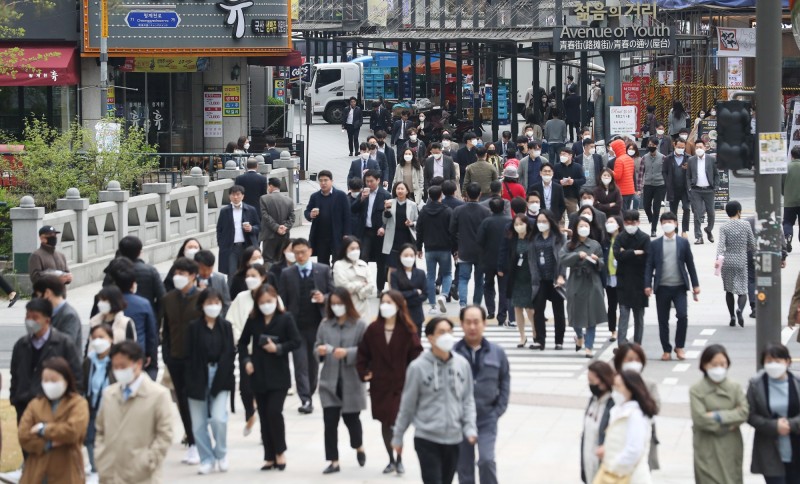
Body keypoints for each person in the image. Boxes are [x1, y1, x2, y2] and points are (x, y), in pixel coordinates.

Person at [392, 317, 477, 484]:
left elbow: (467, 400)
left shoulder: (462, 365)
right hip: (427, 438)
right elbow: (407, 405)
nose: (447, 336)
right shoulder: (417, 367)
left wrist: (470, 427)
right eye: (441, 332)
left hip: (454, 437)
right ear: (430, 338)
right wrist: (398, 436)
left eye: (449, 332)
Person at [356, 291, 422, 474]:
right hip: (380, 385)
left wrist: (414, 378)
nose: (385, 305)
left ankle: (399, 459)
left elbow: (417, 356)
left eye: (389, 302)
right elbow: (362, 355)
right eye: (383, 302)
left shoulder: (408, 331)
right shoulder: (373, 330)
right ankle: (391, 459)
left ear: (399, 306)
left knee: (396, 422)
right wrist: (364, 372)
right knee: (385, 423)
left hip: (401, 385)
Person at [239, 284, 300, 470]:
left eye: (270, 301)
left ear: (276, 300)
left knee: (274, 412)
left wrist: (279, 348)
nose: (267, 305)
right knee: (264, 416)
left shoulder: (285, 318)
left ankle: (280, 451)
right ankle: (269, 456)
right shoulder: (254, 320)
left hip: (278, 374)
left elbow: (296, 341)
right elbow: (242, 343)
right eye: (263, 302)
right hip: (258, 373)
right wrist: (246, 361)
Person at [95, 341, 173, 482]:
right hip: (111, 474)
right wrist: (101, 456)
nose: (119, 370)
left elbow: (165, 434)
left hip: (143, 476)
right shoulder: (109, 394)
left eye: (123, 366)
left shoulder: (158, 395)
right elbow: (100, 430)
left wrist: (148, 461)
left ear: (137, 364)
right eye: (115, 367)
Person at [314, 288, 368, 474]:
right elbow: (316, 346)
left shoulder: (359, 325)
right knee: (330, 423)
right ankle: (333, 460)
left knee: (352, 420)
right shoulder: (325, 324)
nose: (336, 307)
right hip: (329, 381)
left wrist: (347, 353)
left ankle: (358, 446)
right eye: (333, 304)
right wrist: (319, 352)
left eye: (340, 303)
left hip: (351, 381)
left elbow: (366, 351)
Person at [454, 305, 510, 484]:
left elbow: (505, 381)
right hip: (460, 419)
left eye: (476, 322)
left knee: (486, 460)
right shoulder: (453, 354)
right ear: (461, 324)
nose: (472, 327)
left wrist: (498, 410)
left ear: (484, 324)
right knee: (464, 467)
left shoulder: (497, 353)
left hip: (487, 417)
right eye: (468, 322)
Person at [279, 238, 334, 414]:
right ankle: (305, 399)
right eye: (297, 253)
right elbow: (283, 300)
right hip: (296, 327)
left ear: (310, 251)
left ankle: (309, 392)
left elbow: (333, 293)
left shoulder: (323, 270)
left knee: (313, 364)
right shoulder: (287, 274)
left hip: (317, 326)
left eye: (303, 252)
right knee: (300, 363)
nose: (300, 256)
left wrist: (323, 298)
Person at [185, 288, 236, 474]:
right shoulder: (194, 327)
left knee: (218, 418)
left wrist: (226, 376)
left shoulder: (226, 327)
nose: (213, 306)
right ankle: (206, 458)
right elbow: (189, 355)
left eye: (216, 303)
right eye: (209, 303)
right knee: (198, 423)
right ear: (202, 305)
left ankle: (221, 453)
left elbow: (229, 354)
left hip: (220, 375)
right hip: (198, 375)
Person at [10, 298, 82, 426]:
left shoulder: (63, 344)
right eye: (27, 316)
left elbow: (77, 376)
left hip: (54, 408)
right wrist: (15, 398)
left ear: (47, 320)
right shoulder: (21, 345)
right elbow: (15, 375)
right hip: (25, 408)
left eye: (35, 317)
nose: (29, 321)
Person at [159, 256, 203, 464]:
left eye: (182, 274)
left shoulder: (204, 298)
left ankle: (202, 438)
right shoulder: (168, 299)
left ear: (193, 276)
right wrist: (167, 354)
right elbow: (166, 329)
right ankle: (192, 442)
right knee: (183, 402)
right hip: (175, 358)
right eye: (176, 273)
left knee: (199, 400)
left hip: (198, 359)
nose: (178, 277)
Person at [18, 356, 89, 483]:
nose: (49, 384)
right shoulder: (35, 404)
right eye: (45, 380)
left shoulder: (78, 403)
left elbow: (72, 432)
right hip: (37, 471)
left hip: (67, 470)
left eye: (53, 380)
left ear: (66, 380)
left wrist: (43, 429)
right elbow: (24, 436)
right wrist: (48, 444)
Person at [644, 212, 700, 361]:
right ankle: (666, 349)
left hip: (680, 286)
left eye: (670, 221)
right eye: (664, 222)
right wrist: (647, 284)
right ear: (661, 225)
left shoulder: (683, 242)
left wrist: (695, 284)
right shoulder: (655, 244)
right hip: (662, 287)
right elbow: (649, 265)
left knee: (682, 315)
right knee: (663, 320)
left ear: (675, 223)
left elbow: (690, 264)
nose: (667, 224)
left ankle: (679, 346)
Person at [690, 344, 748, 484]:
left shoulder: (735, 387)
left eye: (722, 363)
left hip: (731, 445)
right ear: (704, 365)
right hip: (707, 445)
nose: (719, 368)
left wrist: (717, 416)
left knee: (732, 478)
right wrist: (729, 423)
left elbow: (744, 412)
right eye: (714, 364)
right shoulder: (697, 390)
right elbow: (700, 419)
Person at [747, 343, 800, 483]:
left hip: (796, 447)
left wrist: (791, 424)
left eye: (778, 361)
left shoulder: (797, 383)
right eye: (769, 361)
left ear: (787, 362)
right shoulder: (756, 385)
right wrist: (774, 426)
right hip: (769, 449)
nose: (773, 365)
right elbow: (750, 415)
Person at [596, 370, 656, 483]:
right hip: (618, 475)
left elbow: (634, 450)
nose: (615, 391)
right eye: (614, 386)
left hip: (631, 477)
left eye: (619, 386)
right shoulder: (618, 410)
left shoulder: (636, 415)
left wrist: (614, 467)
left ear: (631, 389)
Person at [560, 216, 606, 358]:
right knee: (574, 313)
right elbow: (562, 259)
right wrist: (576, 256)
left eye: (586, 226)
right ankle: (579, 335)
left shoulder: (595, 244)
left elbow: (602, 262)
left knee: (592, 315)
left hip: (592, 281)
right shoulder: (569, 245)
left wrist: (597, 261)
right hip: (576, 280)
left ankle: (589, 346)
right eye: (581, 226)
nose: (584, 228)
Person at [105, 261, 158, 379]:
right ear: (133, 284)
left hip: (111, 351)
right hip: (137, 350)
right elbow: (151, 332)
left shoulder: (106, 302)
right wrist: (149, 354)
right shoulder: (143, 304)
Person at [613, 342, 662, 470]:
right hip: (615, 440)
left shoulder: (648, 384)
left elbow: (655, 408)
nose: (634, 363)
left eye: (637, 360)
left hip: (641, 443)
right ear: (620, 362)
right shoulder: (613, 384)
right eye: (629, 360)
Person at [530, 210, 567, 350]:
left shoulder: (559, 238)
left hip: (555, 279)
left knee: (558, 310)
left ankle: (559, 341)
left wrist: (561, 275)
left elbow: (563, 258)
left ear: (550, 222)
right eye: (539, 221)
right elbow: (532, 260)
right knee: (538, 309)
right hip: (539, 279)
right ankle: (540, 340)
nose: (541, 224)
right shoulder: (534, 238)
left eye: (544, 221)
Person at [499, 213, 537, 346]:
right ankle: (522, 336)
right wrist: (501, 267)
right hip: (516, 276)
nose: (519, 227)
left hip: (530, 276)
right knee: (517, 308)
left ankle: (535, 332)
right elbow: (503, 252)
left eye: (521, 224)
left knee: (530, 308)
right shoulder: (511, 239)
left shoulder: (532, 239)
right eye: (516, 224)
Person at [613, 211, 651, 345]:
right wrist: (635, 252)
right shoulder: (620, 237)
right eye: (627, 223)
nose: (630, 225)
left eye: (633, 223)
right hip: (624, 281)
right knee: (623, 314)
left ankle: (637, 344)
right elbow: (617, 255)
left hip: (640, 282)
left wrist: (626, 253)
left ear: (638, 222)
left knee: (639, 316)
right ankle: (621, 344)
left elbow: (647, 258)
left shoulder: (644, 238)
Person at [716, 201, 756, 327]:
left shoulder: (724, 227)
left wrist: (718, 259)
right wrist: (749, 249)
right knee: (742, 290)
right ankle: (740, 310)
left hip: (727, 260)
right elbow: (752, 243)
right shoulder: (745, 225)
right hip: (741, 259)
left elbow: (720, 245)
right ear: (739, 211)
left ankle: (732, 316)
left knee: (728, 290)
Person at [451, 183, 491, 308]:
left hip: (464, 249)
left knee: (463, 279)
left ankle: (463, 304)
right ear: (480, 194)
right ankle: (476, 305)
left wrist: (456, 248)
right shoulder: (486, 211)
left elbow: (452, 230)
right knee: (479, 281)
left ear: (466, 194)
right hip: (481, 252)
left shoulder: (458, 210)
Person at [105, 235, 165, 317]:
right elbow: (162, 297)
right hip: (146, 314)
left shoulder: (113, 269)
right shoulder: (150, 271)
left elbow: (106, 292)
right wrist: (155, 314)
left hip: (120, 315)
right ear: (140, 252)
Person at [351, 170, 391, 291]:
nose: (369, 184)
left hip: (379, 233)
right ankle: (363, 285)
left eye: (371, 181)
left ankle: (379, 288)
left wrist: (383, 227)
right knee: (363, 259)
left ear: (378, 181)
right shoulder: (364, 193)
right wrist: (361, 199)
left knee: (381, 262)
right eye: (367, 181)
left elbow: (390, 216)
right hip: (365, 231)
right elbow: (353, 209)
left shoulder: (385, 195)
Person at [83, 323, 114, 475]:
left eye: (101, 337)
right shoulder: (89, 360)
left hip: (112, 409)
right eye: (94, 338)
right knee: (89, 439)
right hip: (92, 406)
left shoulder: (117, 360)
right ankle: (96, 469)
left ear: (111, 339)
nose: (97, 341)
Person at [416, 185, 452, 315]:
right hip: (445, 248)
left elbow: (419, 230)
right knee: (447, 273)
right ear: (441, 195)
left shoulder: (424, 211)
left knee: (430, 276)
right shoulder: (447, 211)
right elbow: (452, 231)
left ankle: (432, 305)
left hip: (430, 248)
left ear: (429, 196)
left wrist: (418, 247)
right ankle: (443, 295)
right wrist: (455, 248)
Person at [305, 170, 351, 266]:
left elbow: (347, 215)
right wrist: (310, 214)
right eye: (321, 181)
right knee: (322, 263)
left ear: (332, 181)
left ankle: (335, 280)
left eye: (326, 180)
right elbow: (307, 211)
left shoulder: (341, 195)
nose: (323, 183)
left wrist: (346, 233)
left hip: (337, 234)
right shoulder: (315, 197)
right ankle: (324, 280)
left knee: (337, 262)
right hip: (321, 236)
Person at [479, 198, 514, 325]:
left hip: (488, 259)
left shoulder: (486, 222)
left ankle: (490, 310)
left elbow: (480, 240)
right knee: (503, 288)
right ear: (504, 208)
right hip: (505, 260)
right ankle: (502, 315)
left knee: (488, 285)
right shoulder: (510, 221)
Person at [581, 361, 615, 484]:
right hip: (589, 461)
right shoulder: (593, 401)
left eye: (592, 381)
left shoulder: (613, 405)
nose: (590, 385)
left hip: (605, 468)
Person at [217, 185, 261, 275]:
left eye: (238, 194)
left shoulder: (250, 210)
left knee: (248, 272)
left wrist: (251, 228)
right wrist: (221, 244)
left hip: (247, 246)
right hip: (231, 247)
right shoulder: (224, 211)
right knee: (232, 274)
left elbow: (259, 226)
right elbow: (219, 229)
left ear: (243, 196)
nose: (235, 197)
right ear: (229, 196)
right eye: (233, 195)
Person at [32, 275, 82, 351]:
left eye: (39, 296)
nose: (39, 301)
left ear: (47, 293)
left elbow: (66, 346)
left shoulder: (69, 315)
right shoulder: (49, 313)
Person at [382, 182, 419, 278]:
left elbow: (417, 221)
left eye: (402, 189)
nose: (400, 191)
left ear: (407, 191)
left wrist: (412, 223)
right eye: (398, 189)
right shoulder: (389, 202)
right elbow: (384, 220)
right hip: (393, 238)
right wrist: (386, 211)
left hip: (407, 237)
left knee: (408, 265)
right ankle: (392, 289)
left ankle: (407, 287)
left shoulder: (413, 205)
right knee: (392, 266)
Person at [333, 236, 373, 319]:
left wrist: (359, 292)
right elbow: (343, 287)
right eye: (352, 248)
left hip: (363, 308)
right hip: (347, 307)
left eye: (357, 248)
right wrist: (361, 284)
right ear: (345, 249)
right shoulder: (339, 265)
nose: (356, 251)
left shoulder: (363, 264)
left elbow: (371, 286)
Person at [687, 139, 719, 245]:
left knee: (711, 213)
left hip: (709, 190)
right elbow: (688, 175)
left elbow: (716, 174)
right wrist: (690, 188)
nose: (699, 149)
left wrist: (715, 187)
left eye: (701, 147)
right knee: (697, 213)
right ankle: (699, 236)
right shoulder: (691, 160)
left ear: (705, 148)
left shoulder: (711, 159)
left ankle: (709, 230)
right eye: (697, 147)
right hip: (696, 190)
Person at [390, 244, 427, 332]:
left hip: (417, 314)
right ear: (400, 257)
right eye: (405, 255)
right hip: (401, 314)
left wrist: (407, 300)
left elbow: (425, 294)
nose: (409, 258)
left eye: (411, 255)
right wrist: (415, 292)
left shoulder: (421, 273)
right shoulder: (395, 275)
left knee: (416, 341)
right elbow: (396, 294)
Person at [259, 177, 295, 264]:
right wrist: (285, 227)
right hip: (284, 235)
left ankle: (270, 277)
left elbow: (265, 216)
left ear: (270, 186)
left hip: (269, 235)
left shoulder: (264, 198)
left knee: (268, 260)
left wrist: (276, 227)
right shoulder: (289, 200)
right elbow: (292, 217)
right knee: (282, 260)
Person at [663, 137, 692, 238]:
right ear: (674, 145)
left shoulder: (689, 158)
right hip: (673, 189)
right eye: (679, 147)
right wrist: (667, 183)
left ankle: (684, 230)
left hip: (685, 189)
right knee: (673, 211)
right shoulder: (668, 158)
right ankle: (675, 231)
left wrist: (689, 169)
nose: (681, 149)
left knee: (686, 208)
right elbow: (664, 172)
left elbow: (693, 173)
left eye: (683, 147)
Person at [639, 137, 667, 237]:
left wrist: (666, 184)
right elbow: (641, 173)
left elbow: (666, 172)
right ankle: (651, 218)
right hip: (648, 184)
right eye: (649, 145)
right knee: (646, 205)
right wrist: (639, 187)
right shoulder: (644, 158)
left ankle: (653, 229)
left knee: (656, 207)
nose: (651, 147)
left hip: (660, 185)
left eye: (653, 145)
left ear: (657, 146)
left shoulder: (663, 158)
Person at [194, 250, 232, 316]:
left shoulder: (220, 279)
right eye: (202, 269)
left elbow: (226, 302)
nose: (206, 272)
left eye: (209, 269)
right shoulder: (191, 280)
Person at [602, 215, 621, 342]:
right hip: (609, 277)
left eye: (612, 222)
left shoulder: (623, 240)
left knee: (624, 305)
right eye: (607, 222)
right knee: (612, 305)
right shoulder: (605, 241)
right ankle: (613, 330)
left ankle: (623, 329)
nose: (609, 224)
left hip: (622, 277)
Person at [555, 147, 586, 216]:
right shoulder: (556, 166)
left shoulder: (577, 167)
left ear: (570, 155)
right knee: (559, 218)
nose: (562, 156)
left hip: (572, 196)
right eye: (561, 154)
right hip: (559, 196)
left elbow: (583, 180)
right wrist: (560, 182)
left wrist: (573, 181)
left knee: (572, 217)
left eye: (564, 154)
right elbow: (553, 179)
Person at [611, 139, 636, 210]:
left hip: (622, 190)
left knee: (622, 212)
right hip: (630, 189)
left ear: (617, 149)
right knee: (627, 210)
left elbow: (617, 176)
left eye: (613, 149)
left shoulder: (619, 160)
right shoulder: (630, 158)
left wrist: (610, 172)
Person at [783, 146, 800, 251]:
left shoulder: (786, 168)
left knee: (788, 222)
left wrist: (785, 193)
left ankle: (788, 235)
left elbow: (780, 184)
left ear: (791, 156)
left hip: (789, 201)